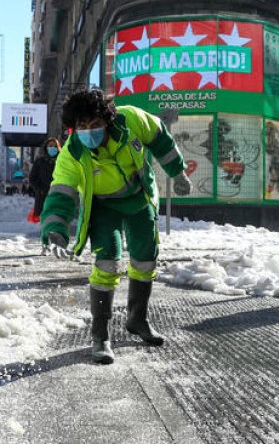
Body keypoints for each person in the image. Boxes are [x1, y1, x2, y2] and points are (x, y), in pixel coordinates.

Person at [41, 89, 190, 364]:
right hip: (103, 206)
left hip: (138, 198)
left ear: (107, 120)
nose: (89, 131)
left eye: (95, 124)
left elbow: (161, 140)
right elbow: (61, 194)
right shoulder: (72, 153)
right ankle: (100, 336)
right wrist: (54, 230)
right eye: (82, 126)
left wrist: (177, 172)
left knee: (146, 260)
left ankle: (138, 320)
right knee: (108, 261)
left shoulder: (132, 119)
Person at [29, 137, 61, 225]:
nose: (52, 148)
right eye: (50, 146)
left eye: (55, 146)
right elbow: (32, 178)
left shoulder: (62, 161)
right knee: (45, 221)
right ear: (46, 147)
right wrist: (40, 189)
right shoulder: (39, 161)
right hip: (43, 196)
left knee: (57, 220)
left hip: (58, 195)